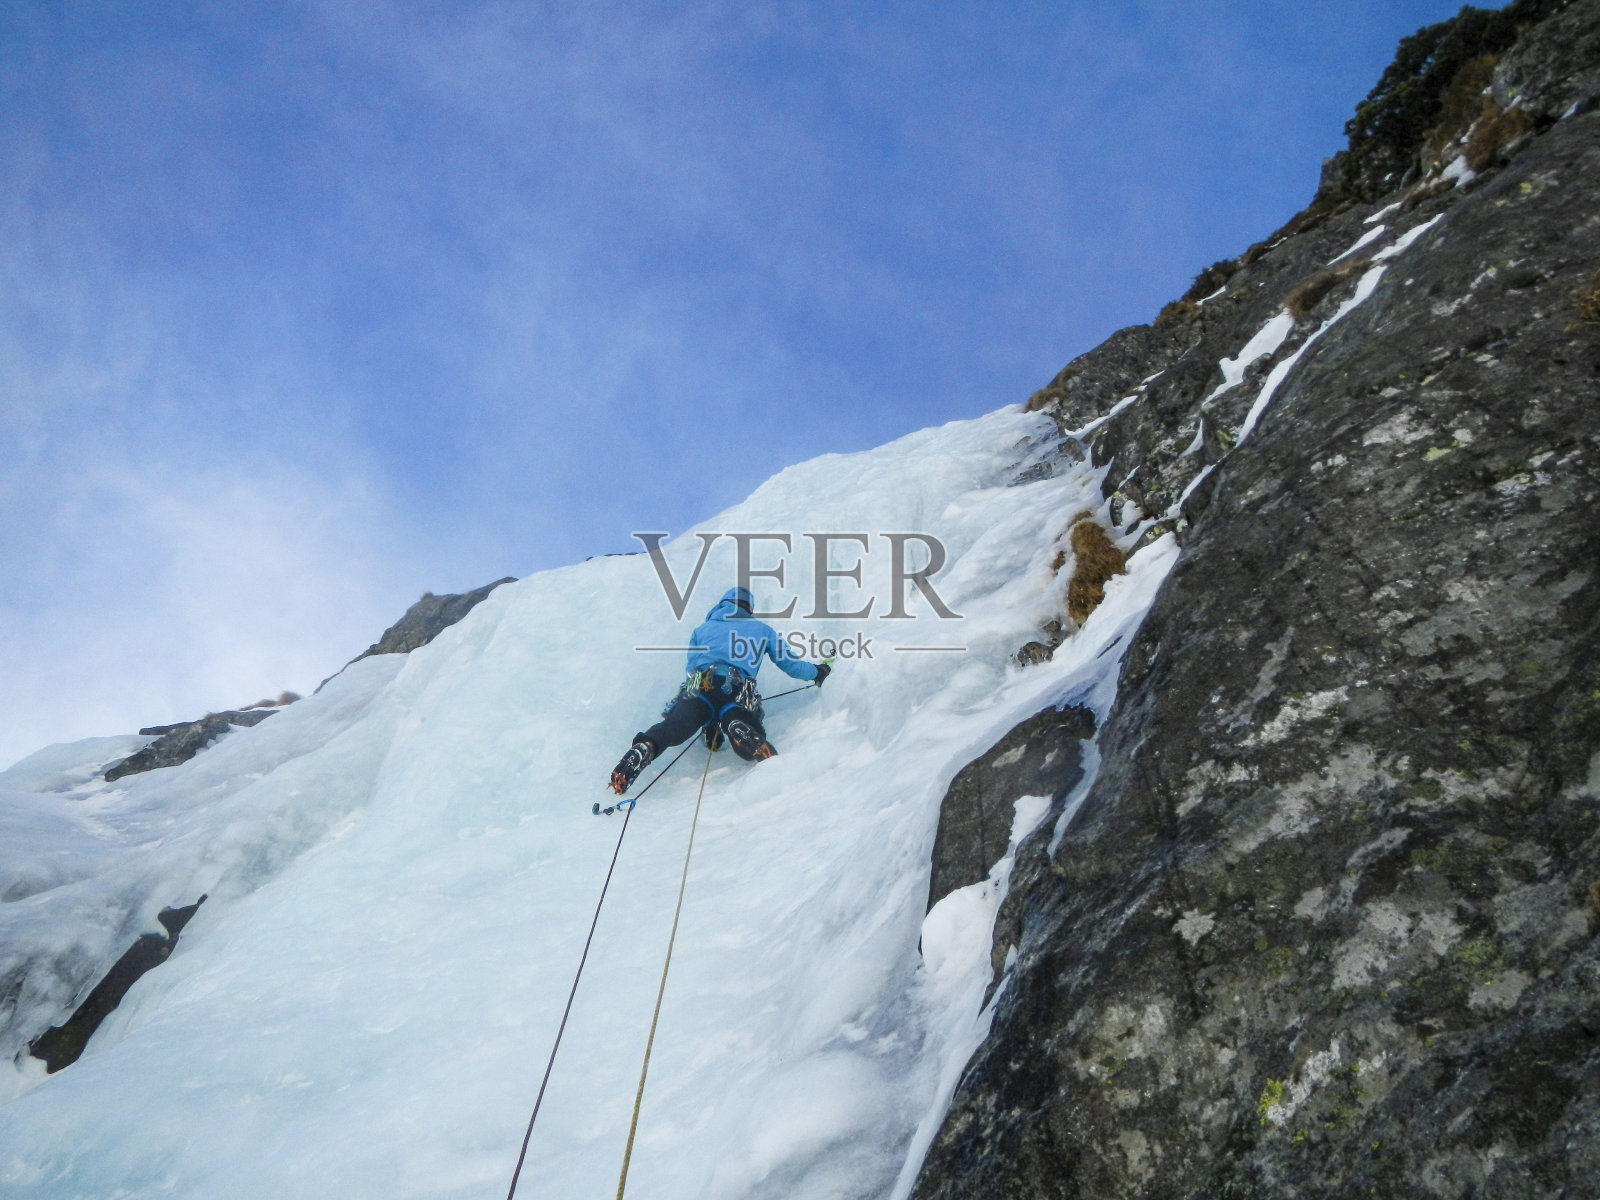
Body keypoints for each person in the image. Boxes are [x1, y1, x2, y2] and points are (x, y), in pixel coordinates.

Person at [609, 586, 831, 794]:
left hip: (700, 688)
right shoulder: (762, 630)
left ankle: (647, 744)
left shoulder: (702, 630)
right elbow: (790, 664)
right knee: (736, 716)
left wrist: (708, 722)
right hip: (736, 688)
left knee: (675, 726)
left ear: (722, 604)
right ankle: (737, 726)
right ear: (749, 609)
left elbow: (691, 670)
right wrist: (818, 672)